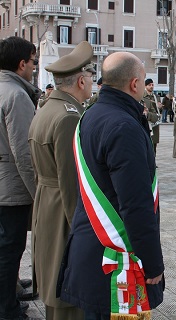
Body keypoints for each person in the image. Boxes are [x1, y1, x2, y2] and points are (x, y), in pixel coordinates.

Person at [58, 52, 165, 319]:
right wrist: (152, 263)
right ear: (134, 84)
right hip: (113, 259)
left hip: (90, 248)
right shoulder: (123, 126)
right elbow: (135, 204)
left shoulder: (92, 114)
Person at [29, 41, 95, 320]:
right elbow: (71, 183)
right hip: (62, 213)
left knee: (54, 285)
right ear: (81, 80)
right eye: (91, 76)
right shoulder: (69, 118)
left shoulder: (47, 109)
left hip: (47, 203)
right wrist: (83, 235)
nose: (92, 82)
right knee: (69, 297)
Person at [0, 36, 41, 320]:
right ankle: (7, 307)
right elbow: (24, 154)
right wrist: (38, 193)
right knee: (10, 248)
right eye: (33, 62)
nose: (35, 68)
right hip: (11, 187)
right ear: (21, 63)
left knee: (6, 246)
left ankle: (10, 288)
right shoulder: (15, 95)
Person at [143, 78, 161, 156]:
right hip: (146, 121)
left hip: (155, 121)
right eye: (149, 85)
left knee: (154, 142)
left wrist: (160, 107)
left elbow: (158, 110)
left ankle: (153, 160)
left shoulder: (156, 96)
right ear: (145, 86)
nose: (151, 86)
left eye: (152, 85)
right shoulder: (142, 96)